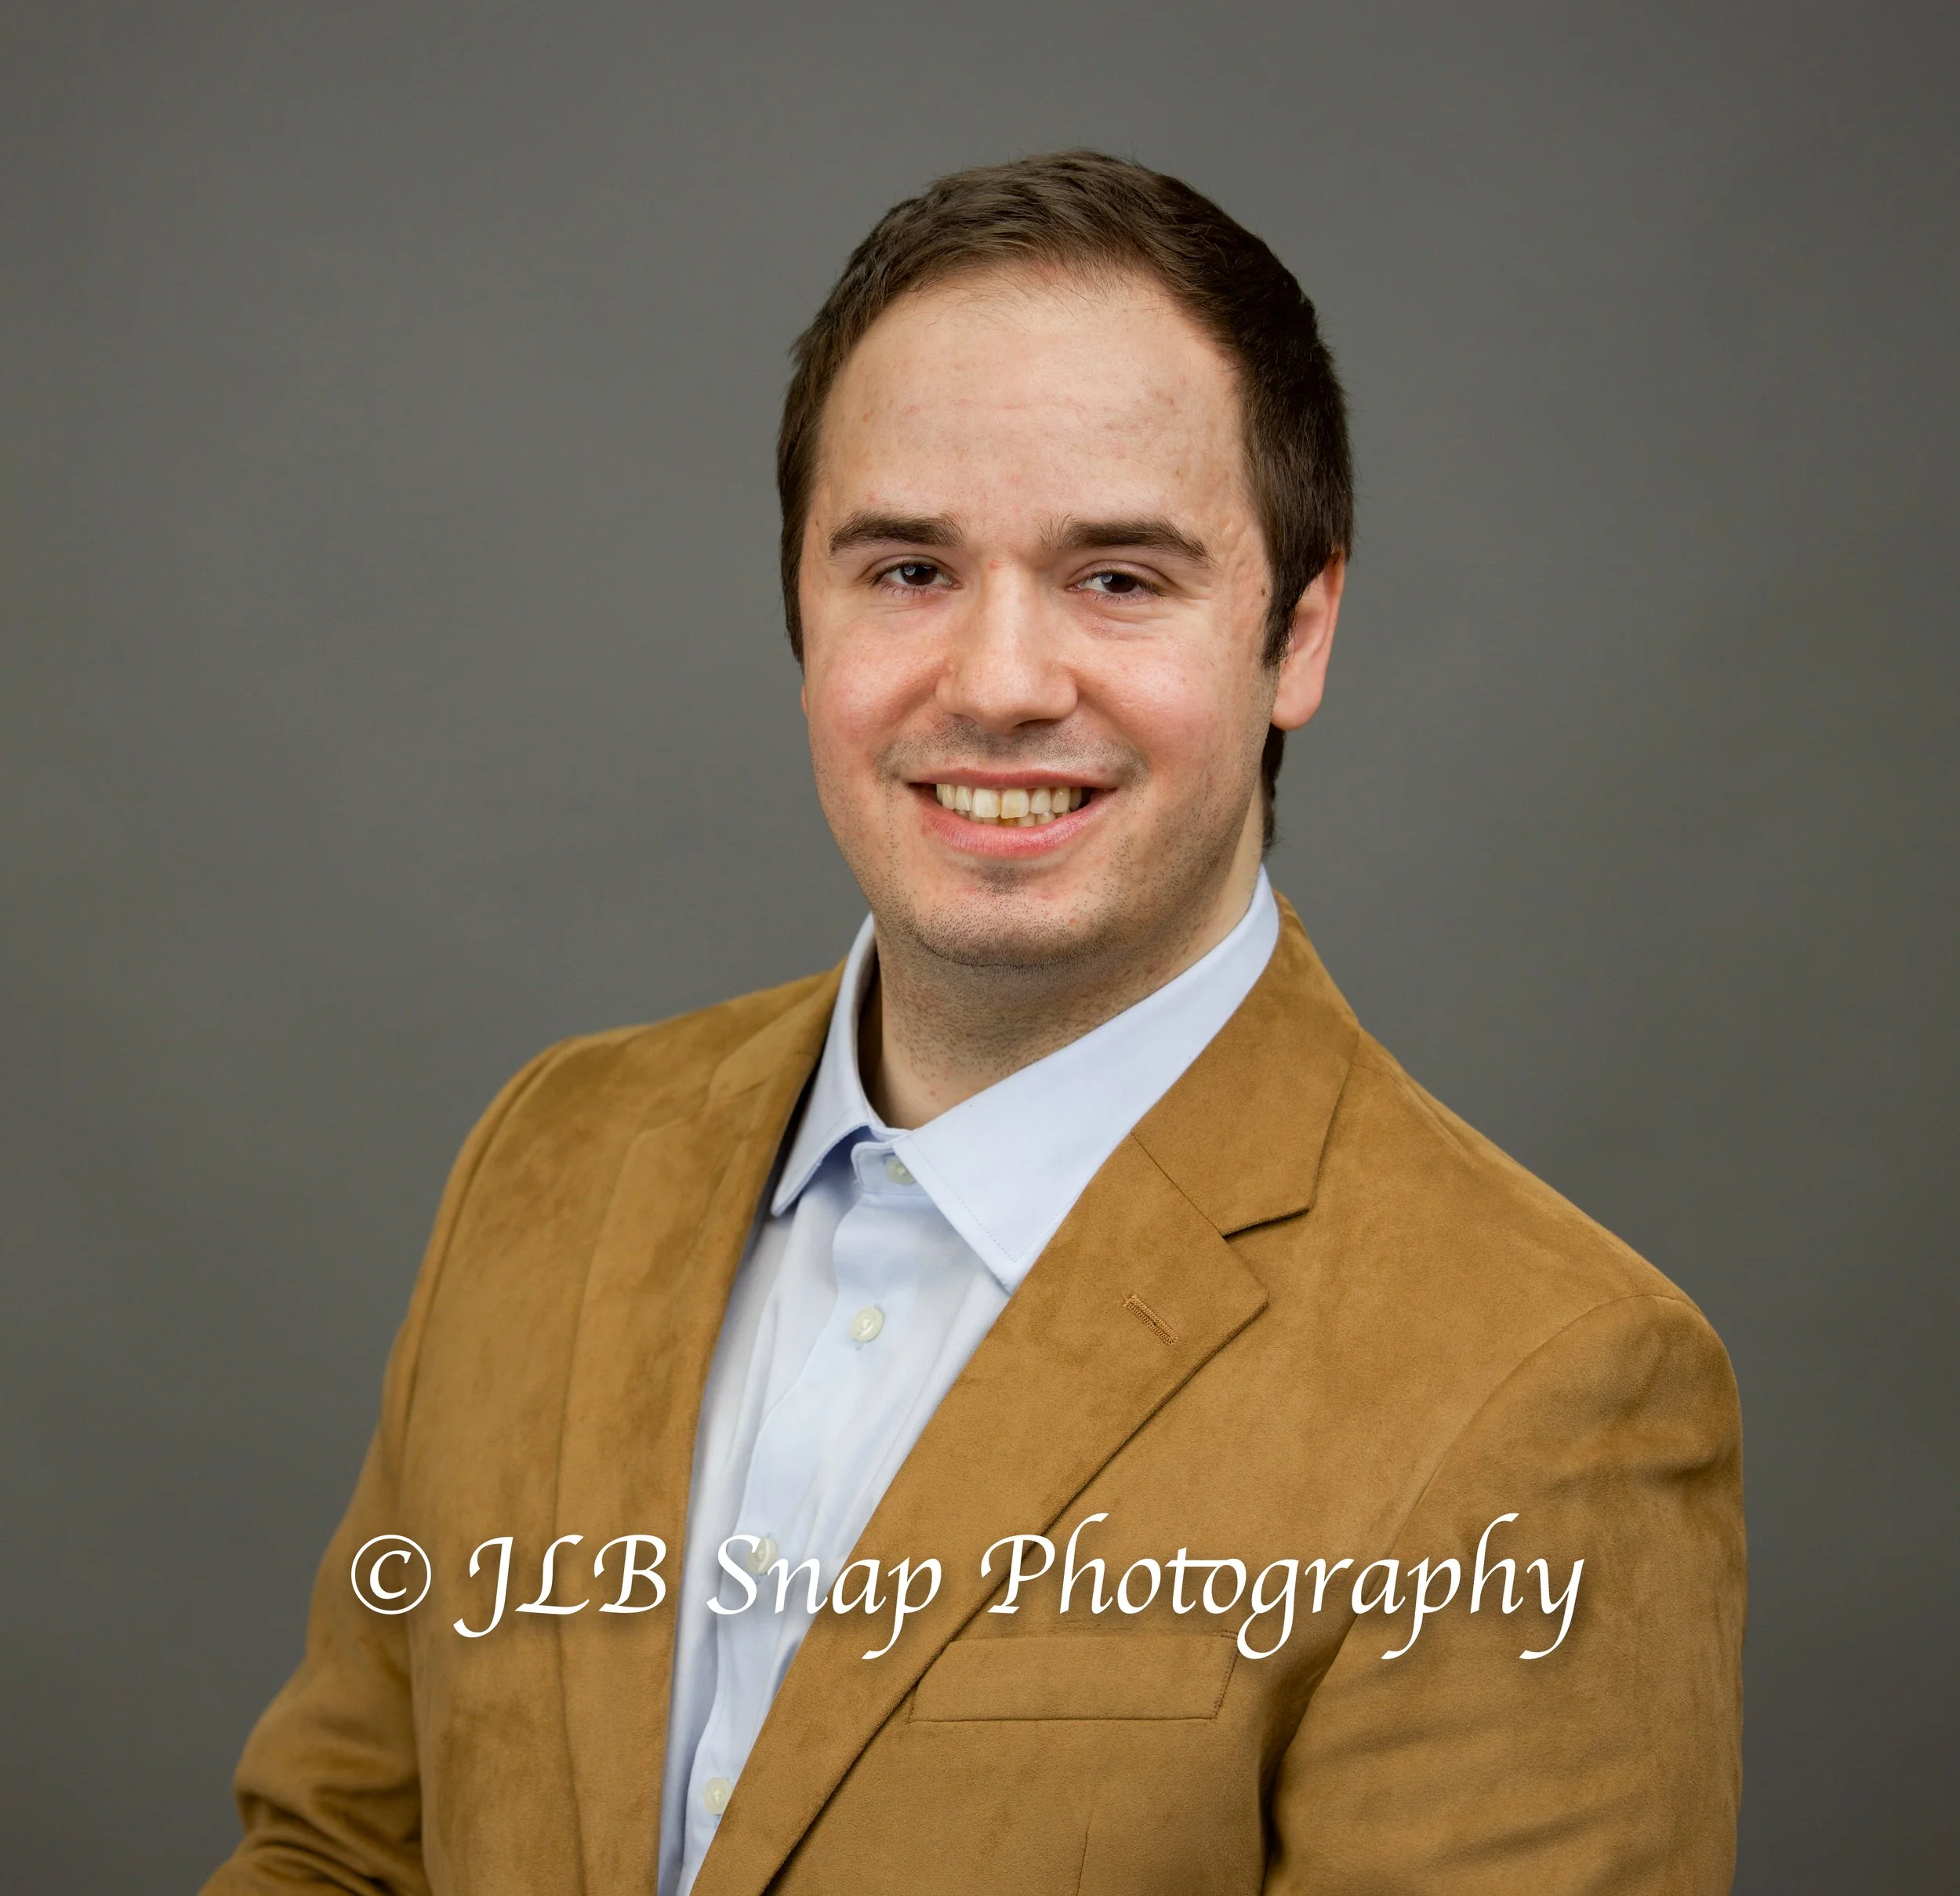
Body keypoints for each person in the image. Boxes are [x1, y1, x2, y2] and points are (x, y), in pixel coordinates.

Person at [203, 151, 1744, 1896]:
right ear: (802, 605)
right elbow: (338, 1853)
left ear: (1297, 633)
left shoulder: (1548, 1392)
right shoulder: (551, 1162)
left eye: (1118, 577)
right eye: (909, 568)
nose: (1000, 683)